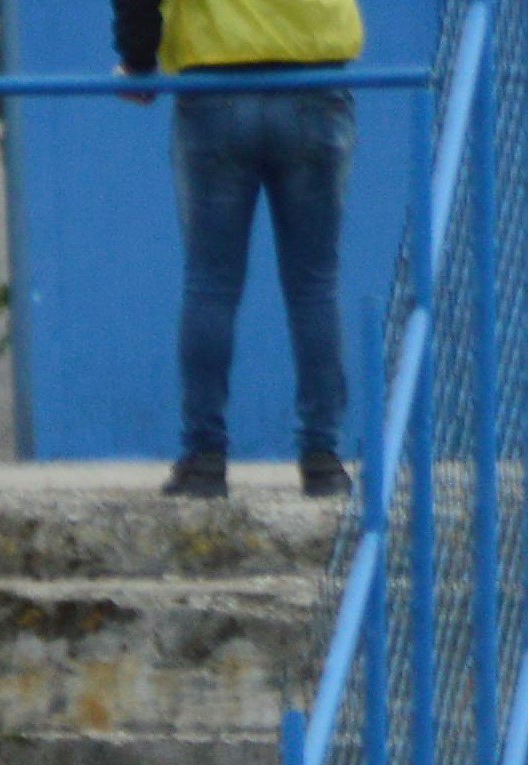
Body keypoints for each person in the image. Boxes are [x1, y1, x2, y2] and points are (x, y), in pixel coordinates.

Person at [120, 0, 365, 501]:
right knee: (314, 287)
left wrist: (139, 59)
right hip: (316, 81)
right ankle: (322, 458)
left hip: (215, 86)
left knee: (210, 284)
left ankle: (204, 458)